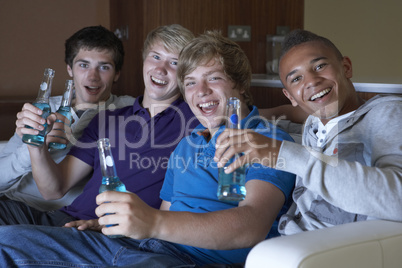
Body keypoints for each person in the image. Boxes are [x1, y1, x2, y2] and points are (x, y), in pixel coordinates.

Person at [0, 31, 295, 267]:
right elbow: (165, 213)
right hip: (128, 242)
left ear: (241, 84)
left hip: (171, 256)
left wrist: (151, 223)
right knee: (7, 241)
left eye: (213, 78)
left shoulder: (265, 139)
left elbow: (251, 225)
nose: (200, 91)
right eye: (191, 82)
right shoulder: (188, 143)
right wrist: (109, 226)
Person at [0, 24, 197, 226]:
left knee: (10, 239)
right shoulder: (106, 118)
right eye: (155, 57)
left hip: (94, 231)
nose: (160, 69)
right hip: (53, 215)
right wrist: (37, 144)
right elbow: (53, 188)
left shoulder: (194, 118)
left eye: (174, 62)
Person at [214, 29, 402, 236]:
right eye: (296, 79)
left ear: (346, 68)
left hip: (341, 246)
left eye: (320, 66)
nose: (311, 81)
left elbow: (397, 198)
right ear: (290, 96)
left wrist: (282, 153)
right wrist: (241, 120)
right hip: (292, 240)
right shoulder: (313, 125)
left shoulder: (386, 113)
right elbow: (290, 119)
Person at [0, 25, 135, 211]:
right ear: (70, 69)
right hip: (11, 201)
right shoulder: (46, 108)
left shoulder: (128, 109)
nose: (92, 76)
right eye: (83, 65)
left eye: (104, 67)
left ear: (117, 74)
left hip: (52, 215)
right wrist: (36, 144)